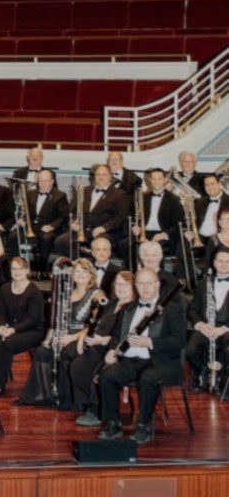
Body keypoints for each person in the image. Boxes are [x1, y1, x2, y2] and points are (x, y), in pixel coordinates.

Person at [97, 268, 185, 444]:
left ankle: (144, 426)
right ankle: (113, 423)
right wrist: (111, 350)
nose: (145, 288)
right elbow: (116, 335)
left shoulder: (171, 309)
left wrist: (150, 342)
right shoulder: (127, 308)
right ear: (135, 286)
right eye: (141, 283)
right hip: (131, 359)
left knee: (148, 378)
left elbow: (179, 341)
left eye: (149, 283)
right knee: (107, 375)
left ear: (157, 285)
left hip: (162, 361)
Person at [17, 258, 105, 408]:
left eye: (84, 271)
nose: (80, 274)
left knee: (65, 353)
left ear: (91, 275)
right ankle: (46, 394)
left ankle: (69, 400)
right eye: (76, 271)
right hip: (64, 335)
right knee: (41, 352)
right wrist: (54, 337)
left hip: (82, 339)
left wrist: (72, 337)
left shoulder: (97, 294)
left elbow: (98, 324)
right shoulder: (68, 292)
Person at [73, 271, 135, 427]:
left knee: (98, 371)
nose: (120, 288)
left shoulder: (133, 307)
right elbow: (97, 325)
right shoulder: (111, 304)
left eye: (125, 285)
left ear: (133, 287)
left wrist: (102, 340)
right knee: (77, 366)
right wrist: (84, 337)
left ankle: (97, 409)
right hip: (100, 345)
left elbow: (124, 336)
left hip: (119, 350)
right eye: (117, 284)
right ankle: (88, 403)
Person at [0, 257, 44, 397]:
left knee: (6, 344)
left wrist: (13, 330)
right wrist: (1, 327)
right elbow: (1, 313)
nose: (17, 272)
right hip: (10, 328)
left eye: (20, 269)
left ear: (27, 270)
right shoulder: (5, 289)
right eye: (14, 269)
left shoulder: (34, 291)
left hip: (32, 331)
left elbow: (33, 319)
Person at [55, 164, 129, 258]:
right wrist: (74, 222)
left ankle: (93, 264)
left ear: (110, 176)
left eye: (104, 175)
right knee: (61, 241)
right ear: (94, 176)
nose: (101, 177)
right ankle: (80, 264)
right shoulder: (84, 191)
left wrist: (104, 228)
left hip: (107, 232)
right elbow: (74, 211)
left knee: (99, 244)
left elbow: (121, 217)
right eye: (98, 174)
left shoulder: (120, 194)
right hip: (85, 231)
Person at [186, 250, 229, 391]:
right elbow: (192, 309)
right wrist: (200, 324)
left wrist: (223, 329)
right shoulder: (204, 283)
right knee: (190, 350)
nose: (224, 264)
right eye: (220, 261)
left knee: (227, 350)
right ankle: (204, 371)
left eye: (227, 261)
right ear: (215, 263)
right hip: (206, 326)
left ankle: (220, 380)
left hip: (226, 328)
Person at [118, 168, 182, 261]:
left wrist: (164, 234)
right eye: (154, 179)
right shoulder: (143, 197)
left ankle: (157, 273)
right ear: (150, 180)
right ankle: (134, 272)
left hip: (162, 234)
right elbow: (135, 217)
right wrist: (135, 227)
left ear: (165, 180)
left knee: (154, 249)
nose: (156, 182)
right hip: (144, 232)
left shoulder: (174, 199)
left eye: (159, 179)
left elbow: (178, 223)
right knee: (124, 244)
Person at [18, 169, 67, 277]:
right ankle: (15, 268)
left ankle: (42, 269)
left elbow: (63, 216)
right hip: (33, 228)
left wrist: (51, 226)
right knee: (13, 236)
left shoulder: (60, 195)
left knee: (46, 238)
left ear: (52, 181)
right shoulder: (30, 193)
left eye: (46, 181)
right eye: (40, 181)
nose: (43, 184)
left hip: (50, 229)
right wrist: (22, 220)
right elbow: (26, 212)